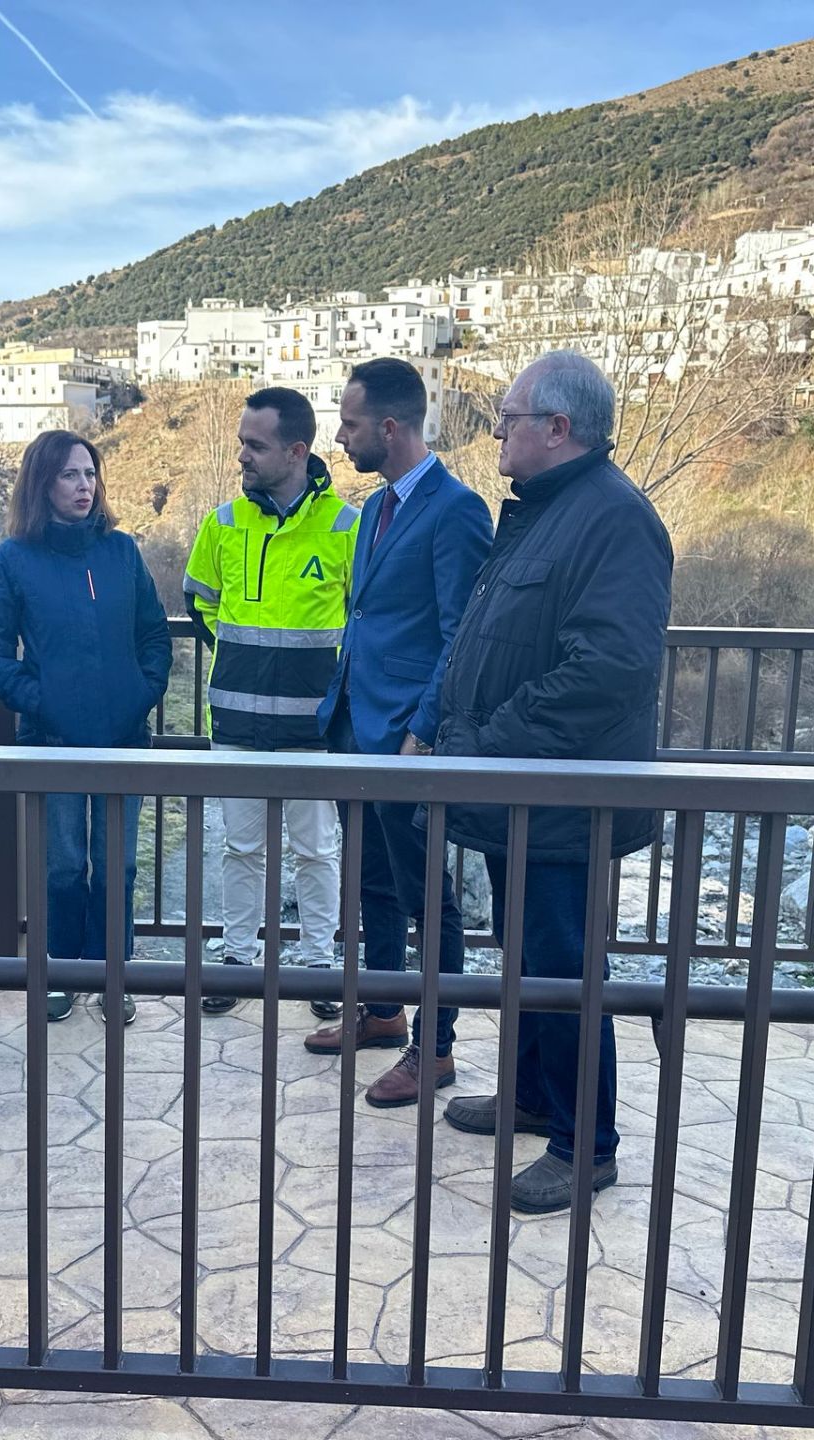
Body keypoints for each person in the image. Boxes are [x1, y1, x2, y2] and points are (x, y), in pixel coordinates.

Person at [433, 350, 672, 1216]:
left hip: (562, 798)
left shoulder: (613, 520)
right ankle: (533, 1097)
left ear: (558, 428)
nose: (497, 428)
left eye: (510, 415)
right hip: (521, 794)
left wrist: (488, 742)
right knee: (528, 956)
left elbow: (609, 668)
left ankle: (584, 1146)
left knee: (567, 968)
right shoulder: (548, 513)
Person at [309, 358, 493, 1106]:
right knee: (372, 883)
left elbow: (462, 636)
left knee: (427, 896)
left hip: (407, 738)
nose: (340, 437)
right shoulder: (377, 507)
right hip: (358, 726)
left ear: (388, 427)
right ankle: (383, 1009)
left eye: (349, 424)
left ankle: (436, 1046)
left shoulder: (455, 511)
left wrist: (422, 732)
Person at [0, 430, 171, 1026]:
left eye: (90, 474)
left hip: (124, 739)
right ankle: (60, 971)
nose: (84, 486)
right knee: (62, 864)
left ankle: (114, 977)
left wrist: (143, 690)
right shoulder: (14, 557)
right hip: (52, 740)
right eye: (69, 475)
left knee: (119, 866)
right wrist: (43, 700)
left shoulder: (122, 551)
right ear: (42, 484)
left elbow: (154, 634)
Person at [183, 388, 358, 1019]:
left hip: (314, 728)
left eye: (255, 446)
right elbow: (199, 600)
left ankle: (318, 965)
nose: (243, 457)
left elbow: (361, 620)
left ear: (296, 450)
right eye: (240, 444)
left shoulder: (346, 526)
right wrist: (244, 656)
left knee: (317, 849)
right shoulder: (223, 523)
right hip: (236, 722)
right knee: (240, 848)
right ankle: (237, 959)